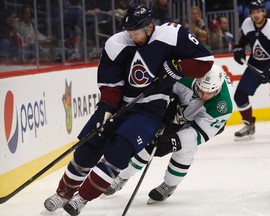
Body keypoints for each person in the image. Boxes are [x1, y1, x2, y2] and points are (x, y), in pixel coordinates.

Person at [43, 4, 214, 216]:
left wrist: (178, 68)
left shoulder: (172, 35)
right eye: (129, 32)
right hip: (117, 105)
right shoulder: (116, 43)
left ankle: (82, 198)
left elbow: (205, 61)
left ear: (150, 27)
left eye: (137, 32)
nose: (132, 36)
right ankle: (63, 193)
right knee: (89, 146)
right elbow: (110, 84)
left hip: (150, 109)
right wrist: (106, 108)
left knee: (118, 153)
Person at [103, 64, 234, 203]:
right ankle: (122, 177)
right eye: (201, 90)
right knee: (149, 143)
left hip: (200, 122)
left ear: (218, 89)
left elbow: (198, 134)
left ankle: (170, 185)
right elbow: (161, 87)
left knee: (186, 148)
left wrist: (173, 142)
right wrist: (166, 102)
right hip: (178, 108)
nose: (204, 96)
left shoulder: (223, 106)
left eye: (209, 93)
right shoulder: (185, 78)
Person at [232, 0, 270, 141]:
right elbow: (244, 39)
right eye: (253, 12)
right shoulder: (247, 24)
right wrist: (239, 48)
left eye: (259, 11)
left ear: (264, 12)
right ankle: (249, 125)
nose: (256, 15)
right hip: (256, 65)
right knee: (240, 95)